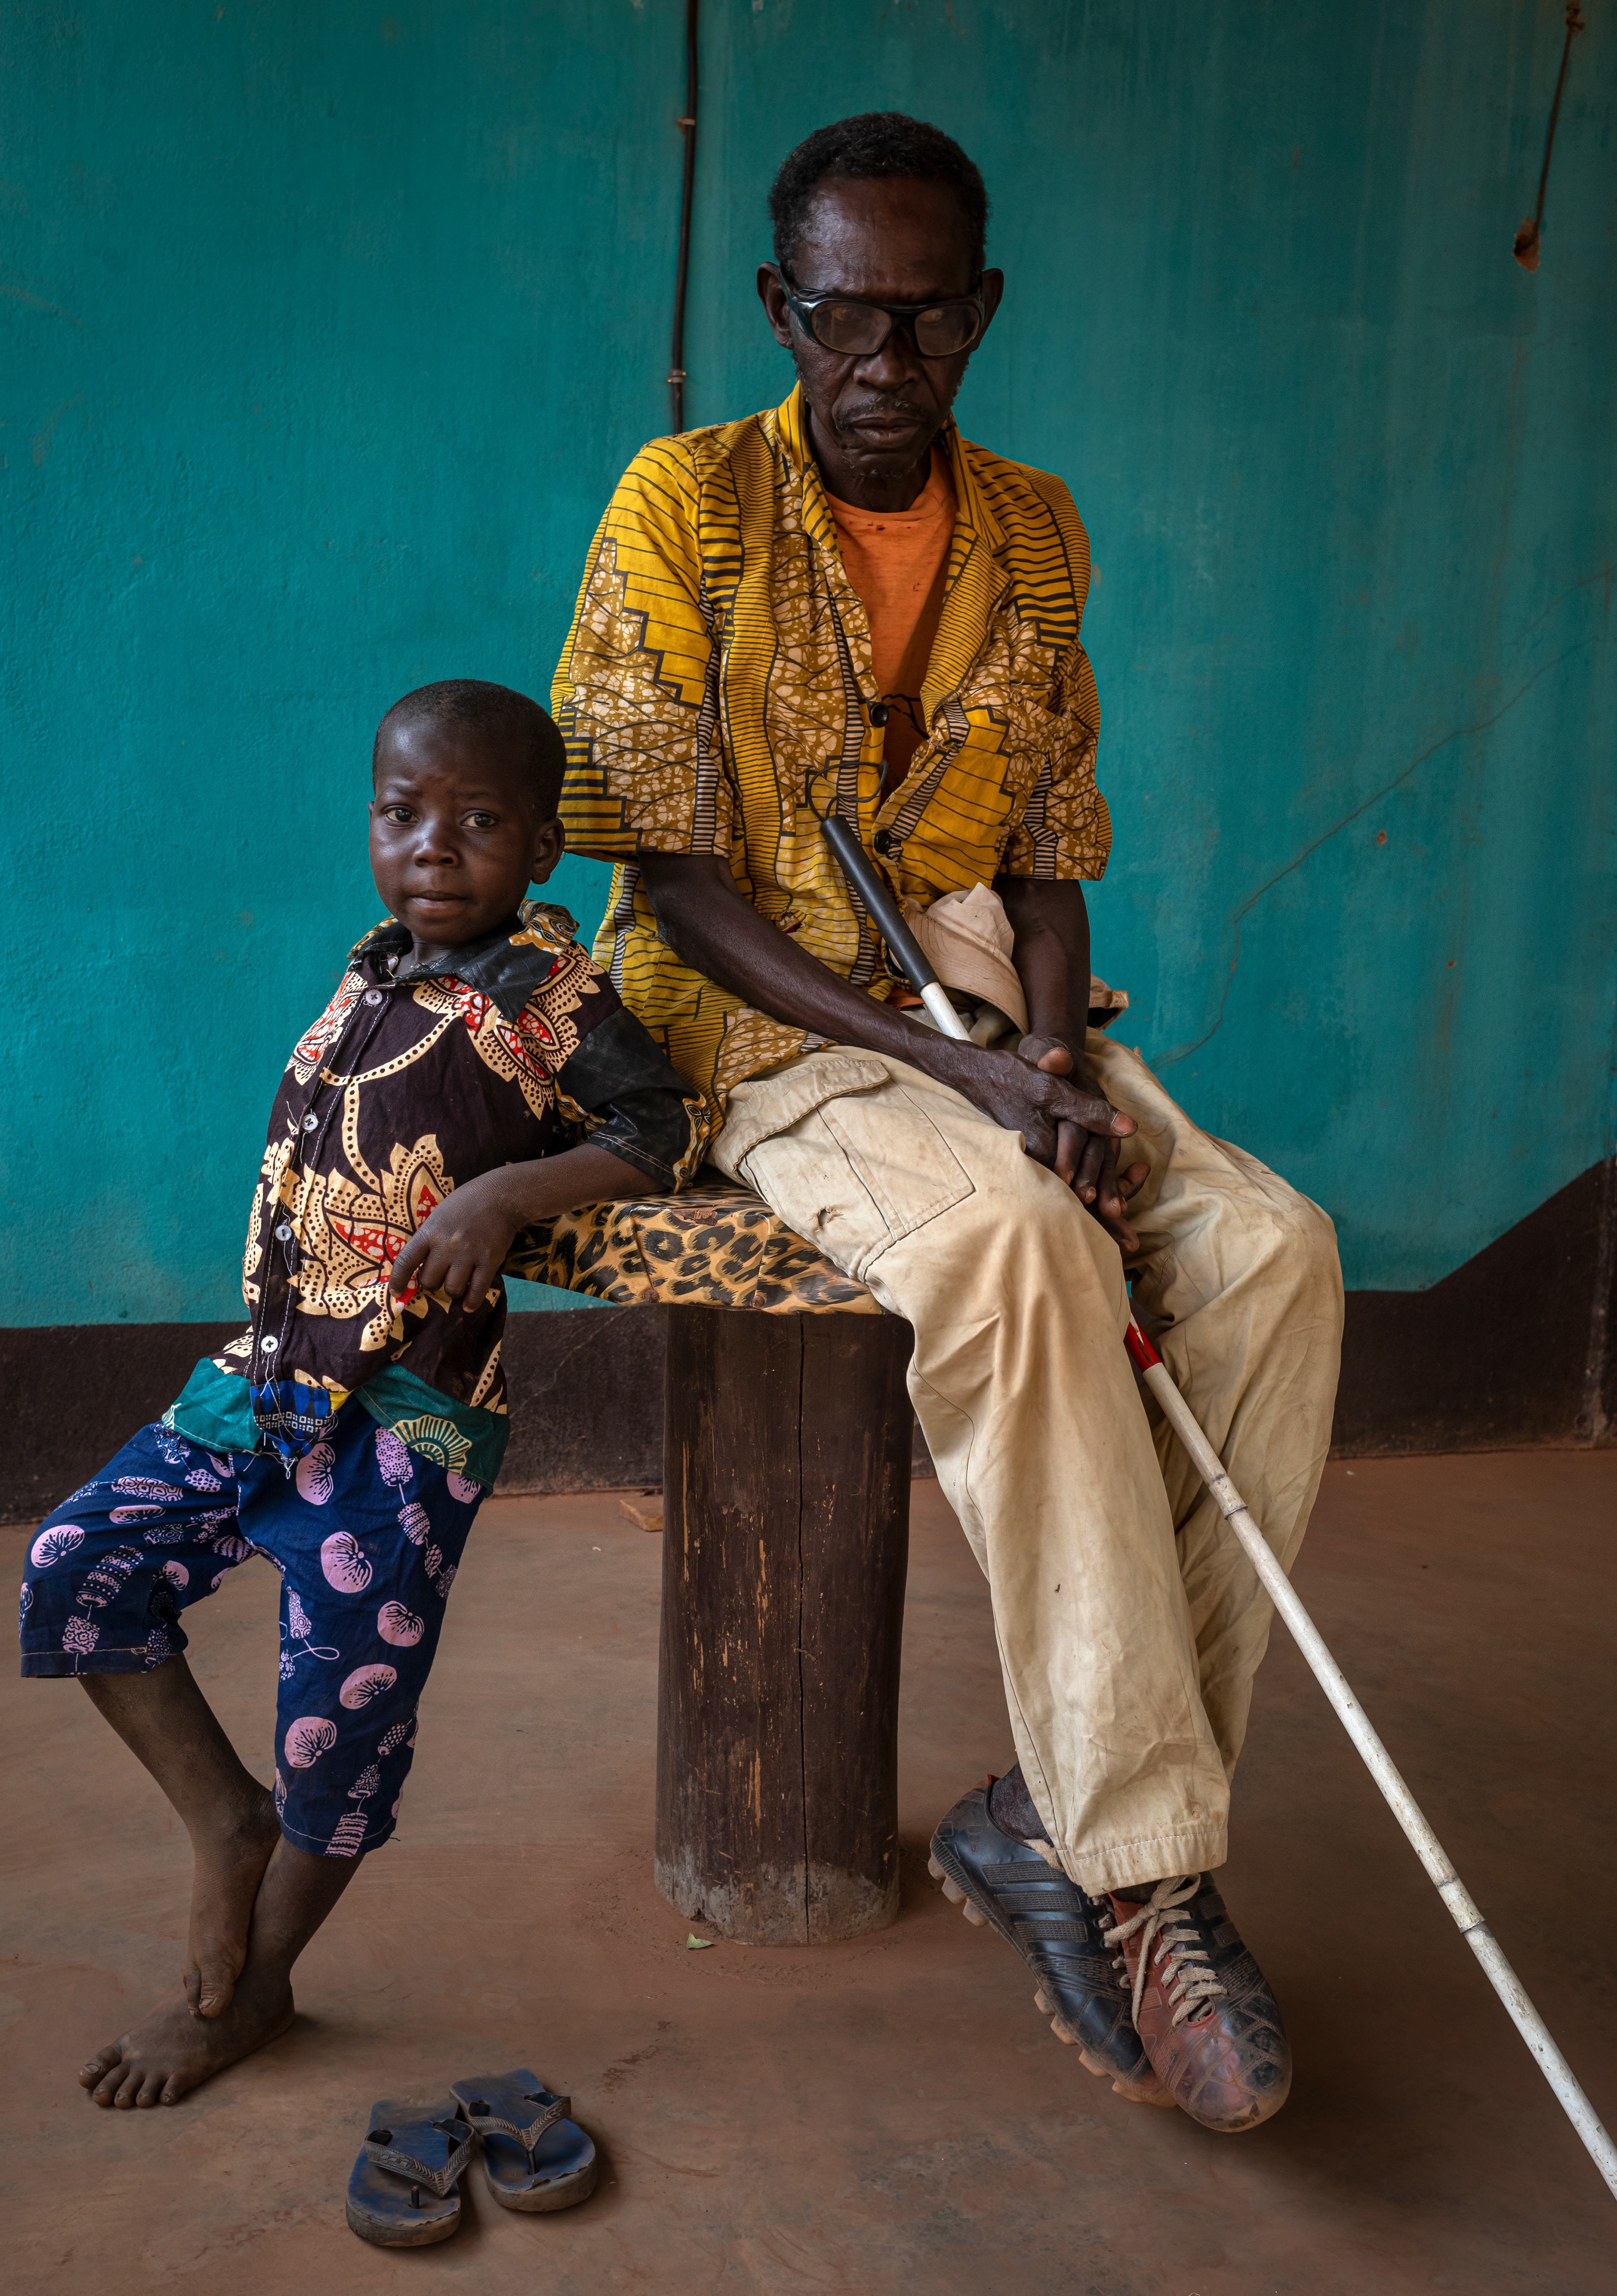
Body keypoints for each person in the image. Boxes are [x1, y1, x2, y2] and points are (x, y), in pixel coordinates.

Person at [554, 114, 1343, 2131]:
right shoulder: (687, 507)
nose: (883, 357)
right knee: (1013, 1239)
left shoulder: (1038, 531)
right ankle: (1149, 1876)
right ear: (779, 308)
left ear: (980, 313)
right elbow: (663, 879)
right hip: (764, 1015)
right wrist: (976, 1091)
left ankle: (1049, 1812)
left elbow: (1058, 854)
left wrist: (1055, 1061)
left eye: (926, 317)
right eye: (843, 313)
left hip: (989, 989)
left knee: (1269, 1252)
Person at [21, 680, 705, 2109]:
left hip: (405, 1424)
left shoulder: (546, 990)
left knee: (341, 1722)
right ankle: (222, 1822)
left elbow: (663, 1128)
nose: (433, 847)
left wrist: (510, 1192)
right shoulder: (375, 965)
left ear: (540, 853)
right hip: (259, 1380)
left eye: (478, 822)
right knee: (77, 1564)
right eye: (403, 814)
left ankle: (250, 1992)